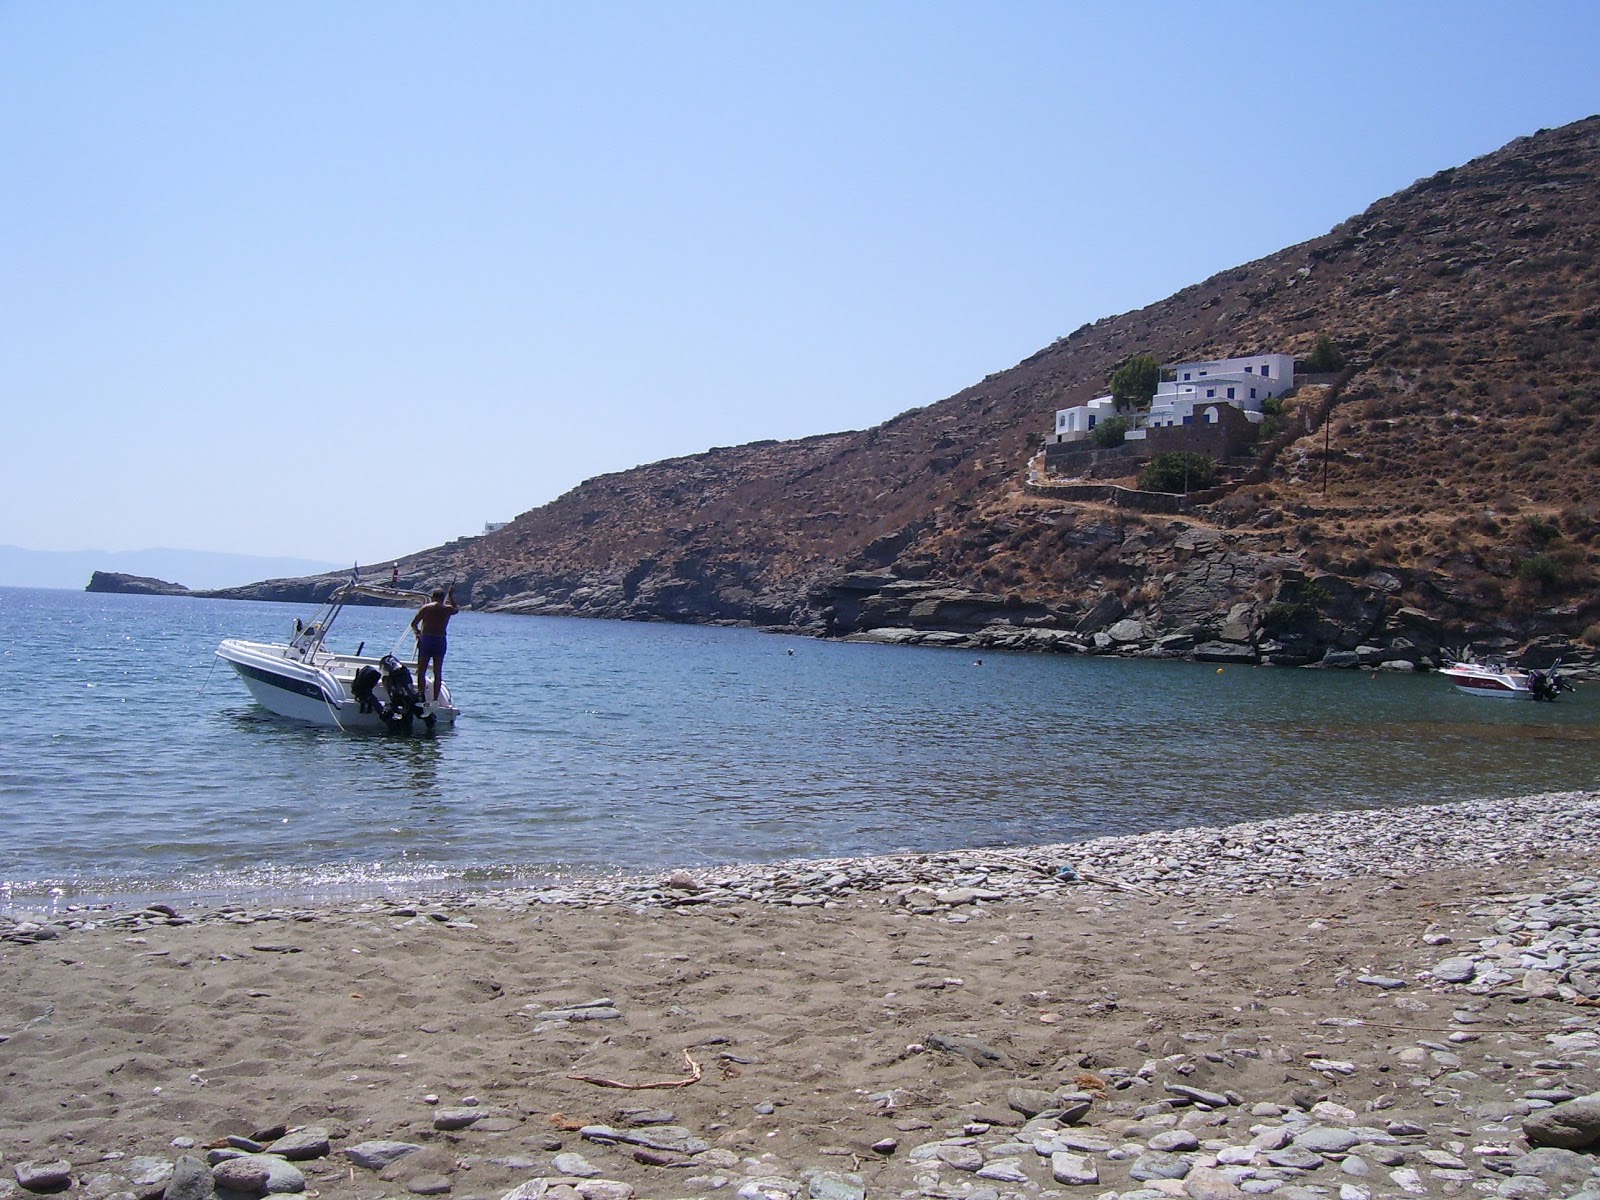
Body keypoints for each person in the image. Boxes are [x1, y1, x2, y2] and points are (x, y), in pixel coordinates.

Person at [410, 587, 459, 702]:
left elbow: (414, 624)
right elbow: (456, 609)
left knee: (421, 670)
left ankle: (421, 695)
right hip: (440, 641)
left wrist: (418, 634)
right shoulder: (447, 609)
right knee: (437, 671)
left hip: (427, 639)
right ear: (443, 598)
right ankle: (435, 699)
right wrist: (451, 595)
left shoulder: (426, 608)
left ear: (432, 597)